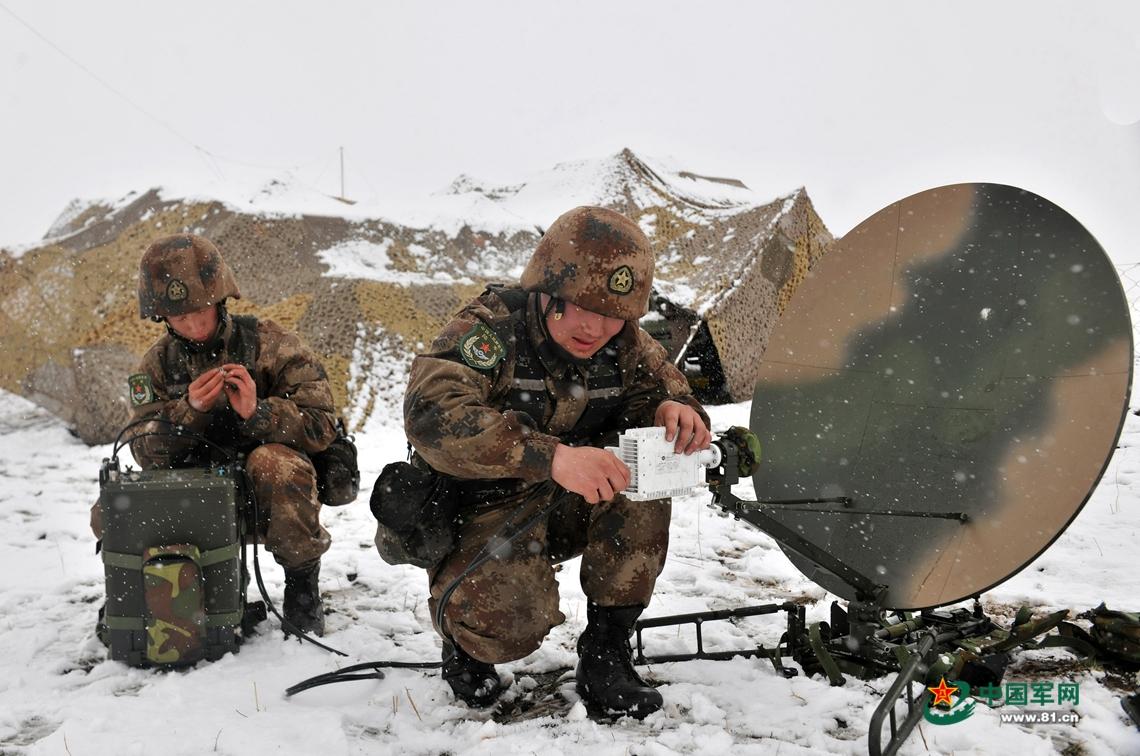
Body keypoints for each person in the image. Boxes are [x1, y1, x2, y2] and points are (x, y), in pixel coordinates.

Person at [399, 206, 712, 717]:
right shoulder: (489, 331)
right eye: (580, 306)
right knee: (511, 625)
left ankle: (606, 652)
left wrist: (677, 409)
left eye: (613, 313)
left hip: (569, 502)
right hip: (481, 512)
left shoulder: (624, 340)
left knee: (641, 479)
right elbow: (433, 416)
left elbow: (663, 386)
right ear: (546, 289)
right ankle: (466, 641)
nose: (595, 326)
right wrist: (553, 457)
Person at [90, 233, 338, 636]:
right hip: (195, 492)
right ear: (161, 318)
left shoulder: (271, 345)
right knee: (111, 509)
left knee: (278, 465)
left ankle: (302, 588)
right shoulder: (155, 365)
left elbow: (322, 425)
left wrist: (260, 413)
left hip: (260, 492)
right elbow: (144, 451)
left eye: (199, 311)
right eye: (179, 316)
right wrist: (190, 412)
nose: (192, 324)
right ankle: (172, 585)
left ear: (220, 299)